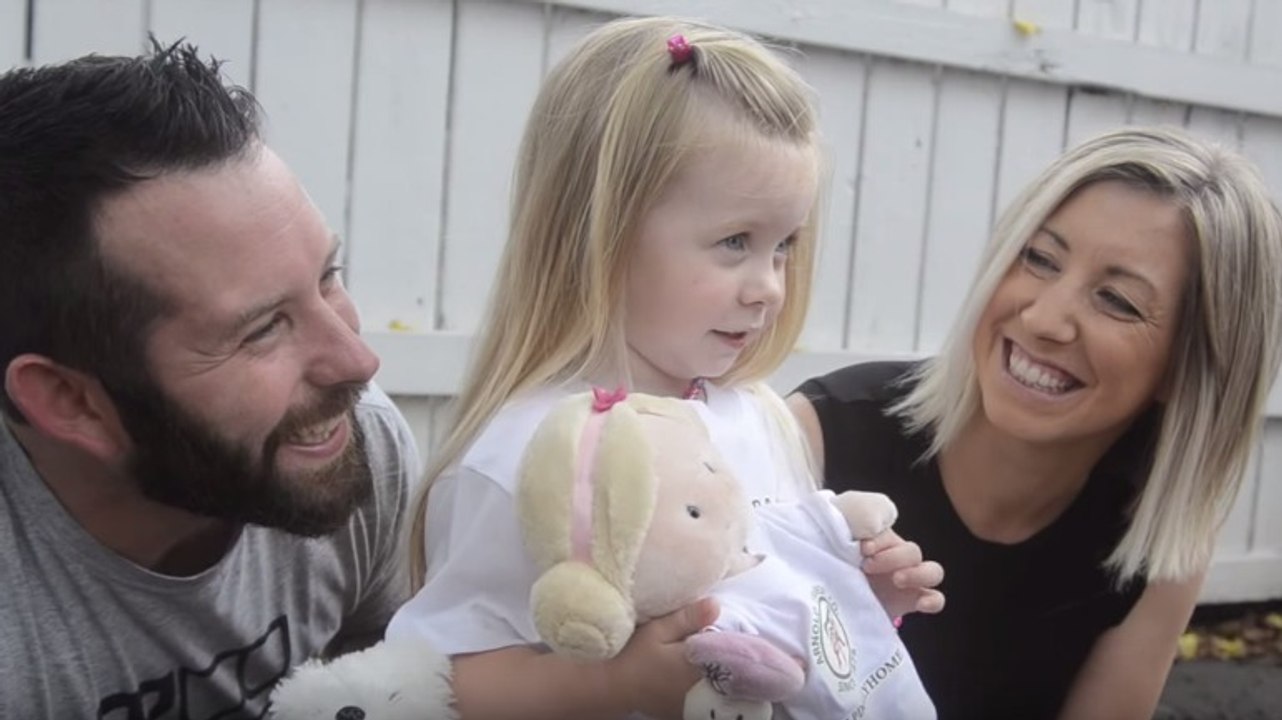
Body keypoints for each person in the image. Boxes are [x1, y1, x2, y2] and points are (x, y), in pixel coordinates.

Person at [386, 16, 942, 720]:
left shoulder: (753, 414)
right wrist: (617, 686)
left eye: (784, 246)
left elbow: (778, 609)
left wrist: (860, 599)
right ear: (600, 228)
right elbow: (438, 681)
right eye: (735, 241)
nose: (769, 285)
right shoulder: (530, 453)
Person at [790, 126, 1282, 720]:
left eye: (1118, 301)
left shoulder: (1154, 537)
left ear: (1189, 368)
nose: (1046, 319)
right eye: (1040, 258)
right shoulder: (818, 437)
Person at [0, 42, 420, 719]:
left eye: (327, 278)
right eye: (263, 330)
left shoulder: (354, 444)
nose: (356, 363)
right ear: (71, 401)